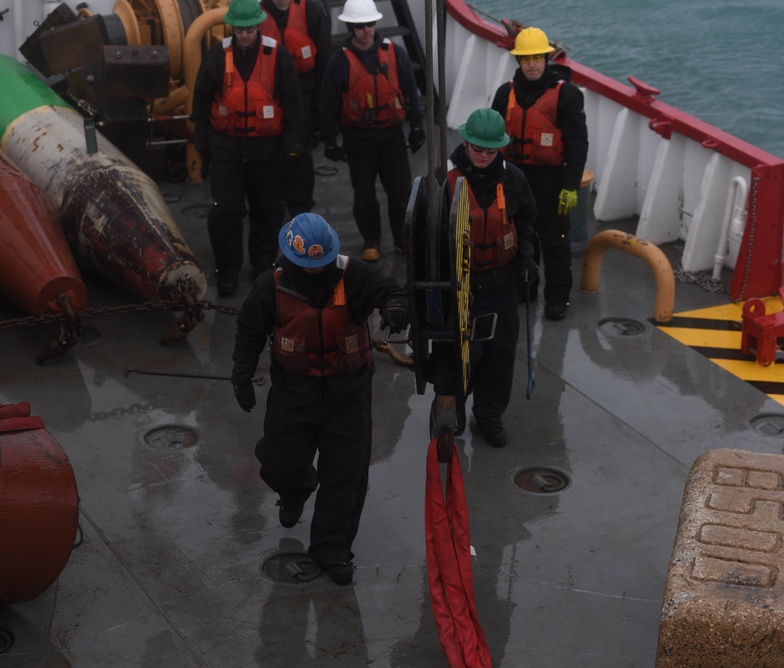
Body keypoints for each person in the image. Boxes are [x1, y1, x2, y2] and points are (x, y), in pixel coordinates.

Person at [230, 212, 410, 585]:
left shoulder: (353, 275)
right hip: (293, 394)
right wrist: (242, 375)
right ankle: (295, 490)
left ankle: (332, 548)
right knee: (280, 463)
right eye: (306, 265)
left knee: (346, 475)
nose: (315, 271)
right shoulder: (271, 286)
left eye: (321, 264)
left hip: (348, 394)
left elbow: (389, 289)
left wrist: (395, 307)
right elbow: (249, 328)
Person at [190, 0, 303, 297]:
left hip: (266, 150)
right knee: (226, 210)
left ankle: (263, 262)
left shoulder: (278, 56)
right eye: (239, 30)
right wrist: (202, 142)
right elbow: (201, 99)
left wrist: (292, 144)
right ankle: (227, 269)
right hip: (225, 149)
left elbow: (293, 103)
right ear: (232, 27)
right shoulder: (217, 56)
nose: (244, 36)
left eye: (250, 29)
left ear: (258, 25)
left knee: (267, 209)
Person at [444, 108, 537, 448]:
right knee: (459, 354)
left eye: (490, 150)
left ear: (500, 148)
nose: (483, 156)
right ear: (466, 143)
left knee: (499, 353)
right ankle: (452, 408)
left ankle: (489, 414)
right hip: (458, 285)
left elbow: (526, 219)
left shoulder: (514, 179)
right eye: (477, 148)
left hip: (500, 283)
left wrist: (527, 258)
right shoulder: (444, 180)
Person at [490, 26, 588, 321]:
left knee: (555, 240)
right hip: (514, 178)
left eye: (537, 58)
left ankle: (557, 297)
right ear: (518, 61)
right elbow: (492, 140)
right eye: (526, 59)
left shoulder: (567, 95)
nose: (532, 64)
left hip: (552, 181)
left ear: (546, 58)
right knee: (519, 237)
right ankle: (524, 286)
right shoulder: (504, 93)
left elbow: (577, 144)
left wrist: (571, 187)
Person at [319, 0, 425, 262]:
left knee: (400, 193)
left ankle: (403, 240)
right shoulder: (338, 62)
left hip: (392, 137)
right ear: (350, 27)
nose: (366, 30)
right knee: (364, 195)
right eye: (360, 26)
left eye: (370, 24)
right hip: (358, 141)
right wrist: (331, 141)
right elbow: (329, 104)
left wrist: (417, 125)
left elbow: (410, 91)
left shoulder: (395, 53)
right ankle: (371, 240)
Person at [259, 0, 331, 217]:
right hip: (268, 101)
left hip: (303, 99)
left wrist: (320, 110)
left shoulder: (312, 11)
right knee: (271, 157)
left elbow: (324, 62)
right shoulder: (256, 16)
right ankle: (273, 208)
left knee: (297, 154)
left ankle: (301, 211)